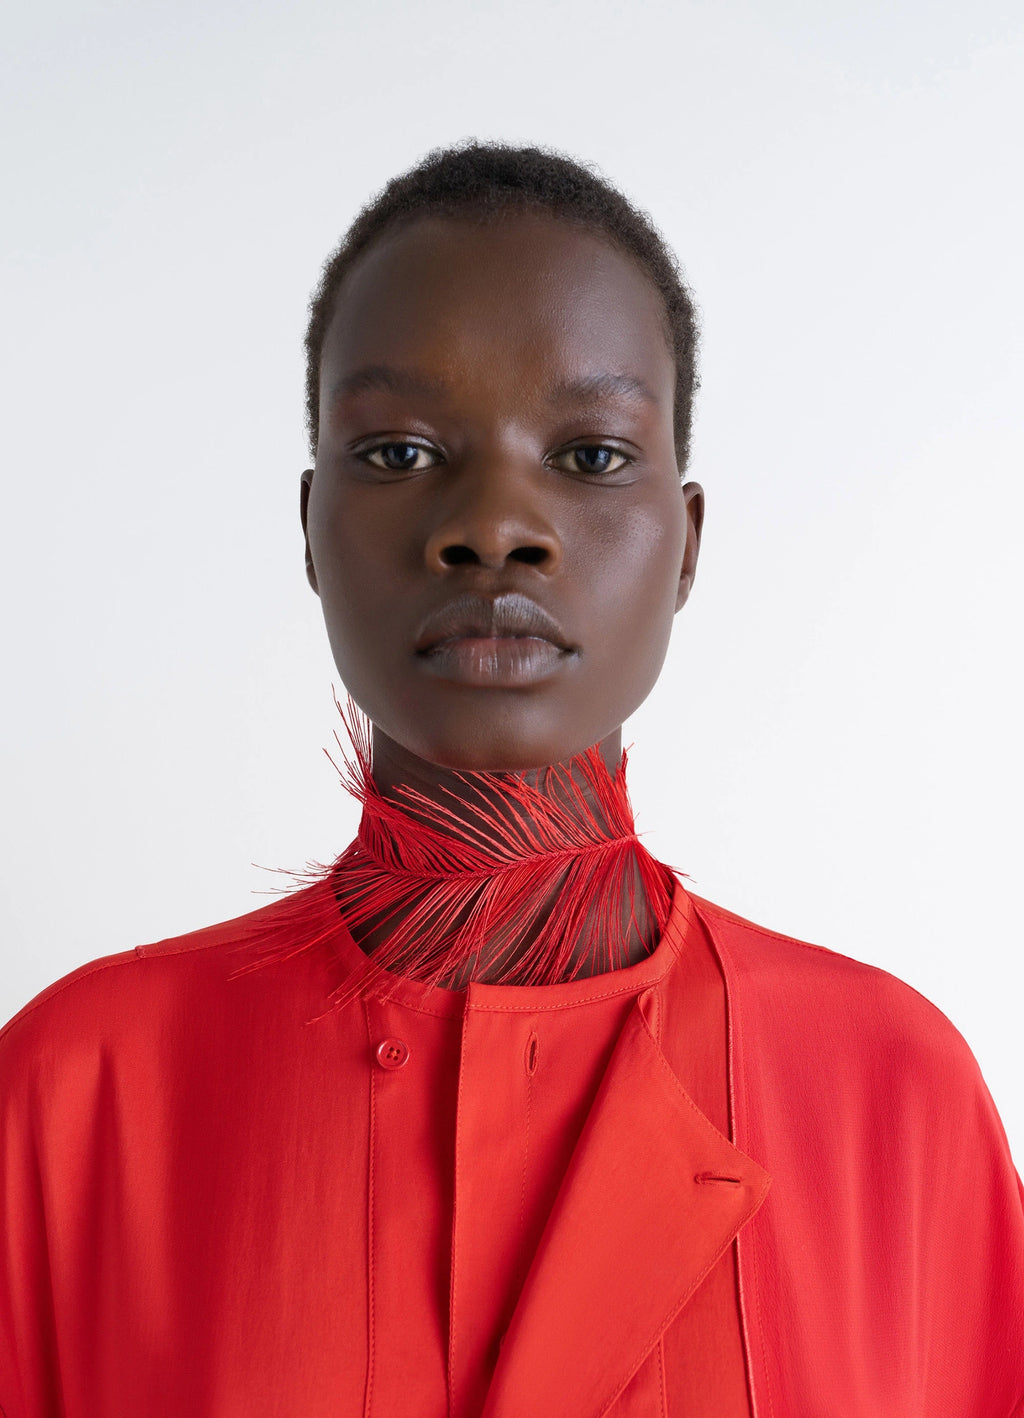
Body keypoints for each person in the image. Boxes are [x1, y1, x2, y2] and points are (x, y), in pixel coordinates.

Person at [1, 142, 1022, 1418]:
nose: (493, 524)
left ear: (687, 541)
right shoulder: (78, 1093)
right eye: (399, 453)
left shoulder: (892, 1095)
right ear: (310, 525)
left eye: (590, 456)